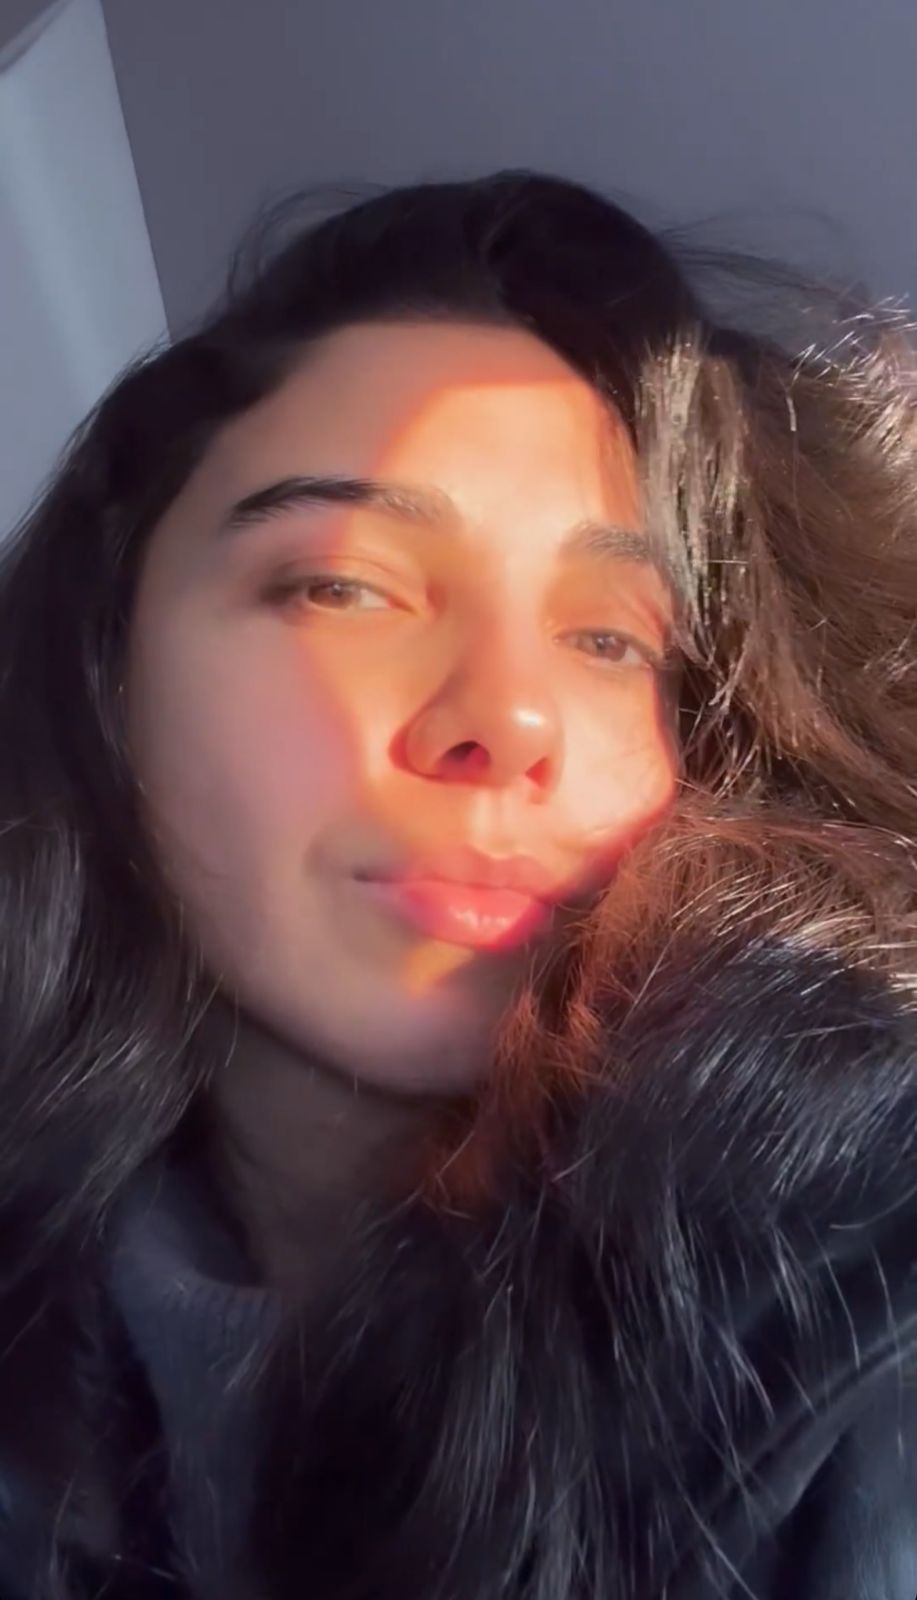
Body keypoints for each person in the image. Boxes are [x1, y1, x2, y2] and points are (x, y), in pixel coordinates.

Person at [0, 168, 915, 1600]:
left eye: (612, 640)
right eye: (343, 586)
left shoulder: (853, 1331)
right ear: (107, 671)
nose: (509, 719)